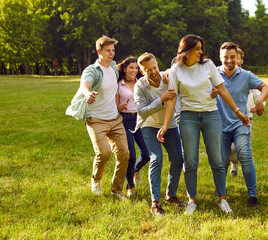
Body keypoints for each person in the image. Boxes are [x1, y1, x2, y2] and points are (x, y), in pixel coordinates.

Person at [157, 34, 249, 214]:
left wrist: (238, 111)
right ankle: (192, 200)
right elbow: (172, 98)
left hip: (210, 116)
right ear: (187, 50)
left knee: (216, 159)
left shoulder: (207, 65)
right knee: (190, 160)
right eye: (197, 48)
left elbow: (221, 89)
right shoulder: (176, 70)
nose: (201, 52)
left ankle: (222, 199)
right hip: (187, 117)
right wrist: (165, 124)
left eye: (201, 48)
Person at [67, 35, 129, 199]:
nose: (111, 53)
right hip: (96, 119)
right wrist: (87, 94)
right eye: (108, 51)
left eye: (113, 50)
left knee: (124, 153)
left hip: (115, 119)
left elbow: (132, 69)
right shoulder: (92, 70)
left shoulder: (114, 68)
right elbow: (84, 84)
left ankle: (116, 190)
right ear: (99, 51)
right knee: (104, 153)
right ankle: (96, 179)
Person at [217, 42, 268, 207]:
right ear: (220, 58)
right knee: (222, 160)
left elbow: (266, 88)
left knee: (245, 155)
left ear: (237, 58)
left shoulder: (246, 75)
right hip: (219, 126)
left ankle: (252, 195)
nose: (229, 60)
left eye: (232, 57)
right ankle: (220, 192)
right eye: (225, 57)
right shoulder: (213, 75)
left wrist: (260, 101)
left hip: (241, 123)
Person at [135, 52, 185, 216]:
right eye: (148, 70)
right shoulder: (140, 86)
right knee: (156, 158)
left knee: (178, 158)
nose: (153, 72)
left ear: (158, 65)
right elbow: (142, 112)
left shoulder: (167, 77)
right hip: (149, 125)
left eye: (154, 67)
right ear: (142, 72)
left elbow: (179, 71)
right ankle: (155, 203)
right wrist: (161, 99)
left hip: (170, 125)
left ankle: (170, 195)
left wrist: (170, 71)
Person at [116, 57, 150, 197]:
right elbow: (116, 105)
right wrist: (121, 107)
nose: (134, 71)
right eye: (131, 68)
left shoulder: (140, 83)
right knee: (130, 155)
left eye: (136, 68)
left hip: (139, 119)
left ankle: (136, 170)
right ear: (124, 69)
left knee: (147, 154)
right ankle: (130, 186)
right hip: (124, 120)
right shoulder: (118, 84)